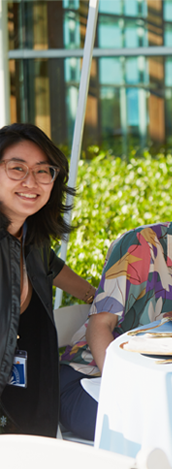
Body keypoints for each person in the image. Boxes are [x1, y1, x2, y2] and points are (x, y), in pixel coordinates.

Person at [60, 154, 172, 440]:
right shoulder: (140, 246)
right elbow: (99, 326)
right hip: (93, 379)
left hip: (168, 388)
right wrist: (124, 392)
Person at [0, 123, 96, 437]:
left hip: (28, 399)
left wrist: (95, 296)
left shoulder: (32, 239)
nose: (31, 181)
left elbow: (53, 268)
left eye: (43, 171)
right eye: (17, 168)